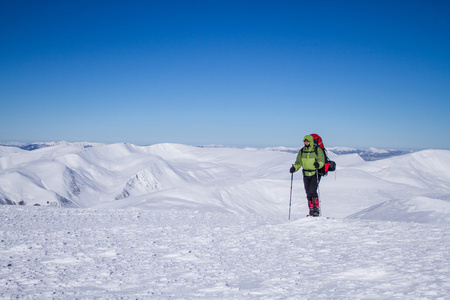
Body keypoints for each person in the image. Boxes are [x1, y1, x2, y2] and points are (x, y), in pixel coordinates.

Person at [290, 135, 325, 216]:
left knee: (313, 191)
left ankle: (316, 210)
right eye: (305, 141)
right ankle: (311, 210)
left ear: (311, 141)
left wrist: (318, 165)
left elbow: (321, 161)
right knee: (308, 192)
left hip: (315, 173)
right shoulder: (302, 151)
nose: (306, 143)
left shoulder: (317, 150)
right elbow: (298, 162)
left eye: (308, 141)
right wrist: (294, 168)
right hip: (305, 174)